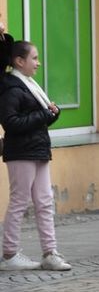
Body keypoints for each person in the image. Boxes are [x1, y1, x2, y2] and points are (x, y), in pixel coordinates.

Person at [0, 40, 71, 272]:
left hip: (38, 148)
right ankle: (10, 253)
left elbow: (36, 119)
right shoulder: (12, 87)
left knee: (44, 202)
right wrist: (43, 115)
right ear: (19, 61)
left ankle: (50, 252)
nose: (38, 63)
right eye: (34, 58)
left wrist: (52, 114)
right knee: (20, 201)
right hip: (21, 151)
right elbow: (11, 123)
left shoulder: (29, 85)